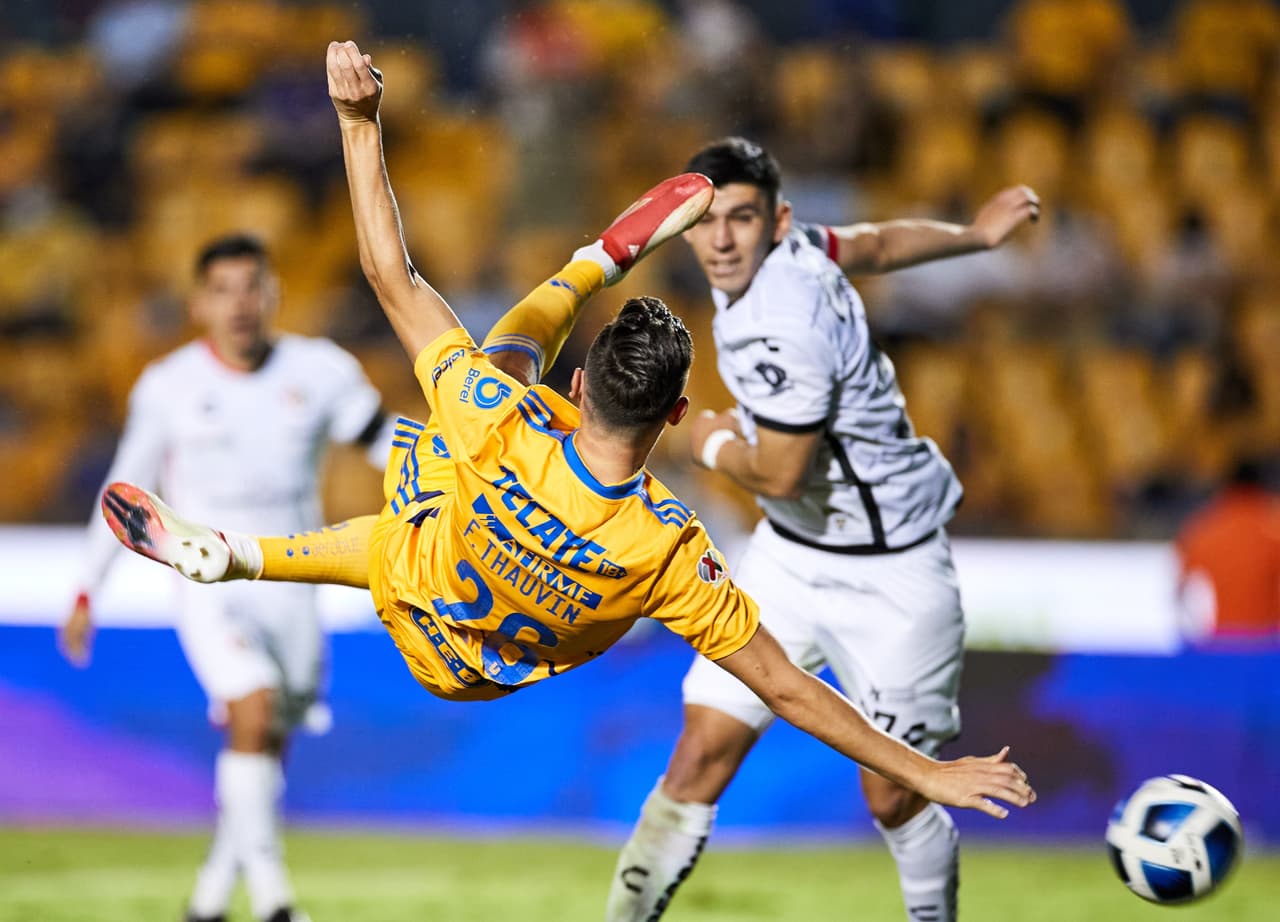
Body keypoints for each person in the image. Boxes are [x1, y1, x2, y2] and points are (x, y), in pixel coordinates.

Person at [102, 42, 1034, 868]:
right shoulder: (670, 551)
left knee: (479, 392)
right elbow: (787, 688)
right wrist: (929, 773)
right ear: (675, 415)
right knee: (453, 450)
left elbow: (391, 275)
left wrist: (359, 123)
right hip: (484, 669)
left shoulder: (498, 423)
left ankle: (592, 264)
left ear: (580, 386)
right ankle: (245, 551)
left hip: (423, 583)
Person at [605, 137, 1041, 922]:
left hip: (891, 571)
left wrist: (706, 441)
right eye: (709, 221)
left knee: (895, 797)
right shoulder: (793, 250)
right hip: (788, 555)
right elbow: (876, 245)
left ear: (777, 221)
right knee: (699, 753)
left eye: (743, 219)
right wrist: (974, 236)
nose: (723, 239)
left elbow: (779, 474)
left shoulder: (785, 321)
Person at [59, 232, 394, 922]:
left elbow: (385, 443)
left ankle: (211, 896)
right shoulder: (169, 386)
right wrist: (89, 587)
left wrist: (452, 485)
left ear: (274, 294)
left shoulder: (320, 370)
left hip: (293, 576)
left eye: (251, 287)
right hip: (209, 580)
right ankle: (274, 901)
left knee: (267, 739)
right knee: (254, 708)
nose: (239, 304)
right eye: (223, 290)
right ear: (198, 304)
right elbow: (126, 491)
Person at [1175, 456, 1280, 644]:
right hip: (1268, 645)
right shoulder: (1272, 527)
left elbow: (1180, 592)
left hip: (1220, 645)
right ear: (1262, 488)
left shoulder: (1202, 529)